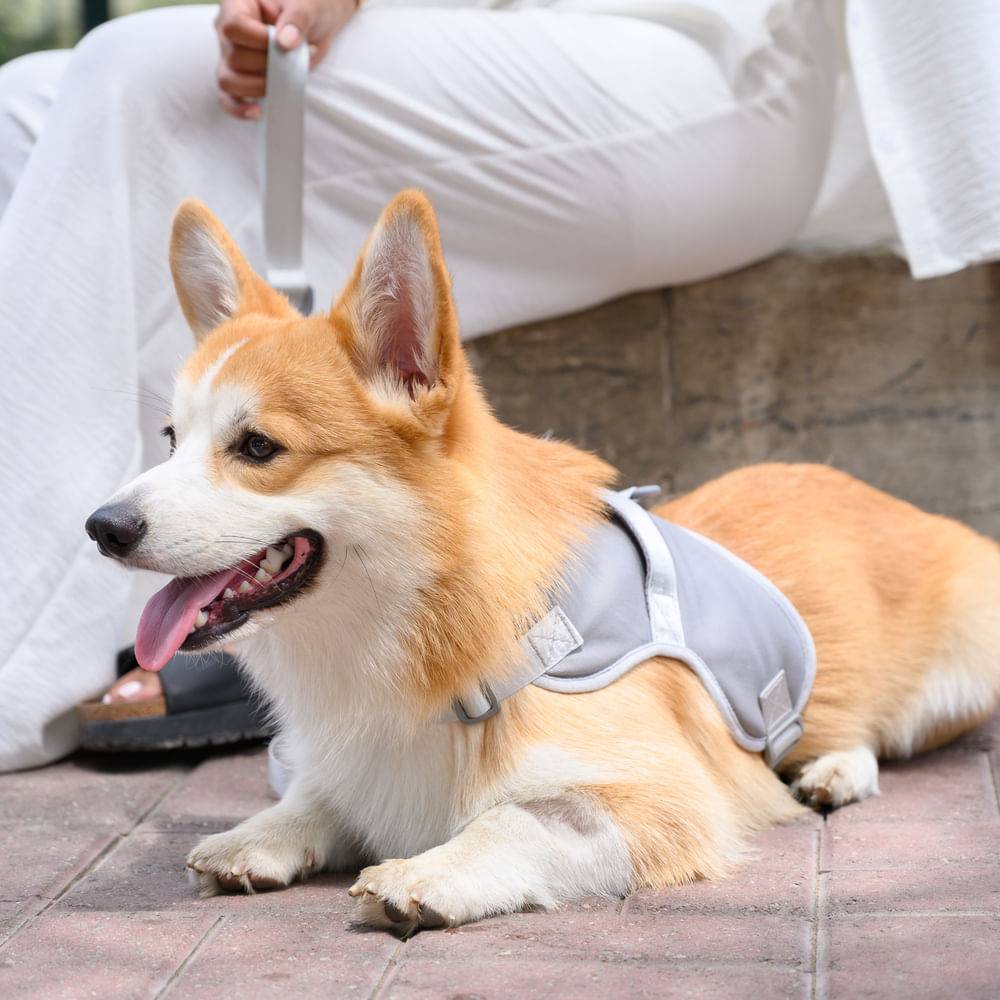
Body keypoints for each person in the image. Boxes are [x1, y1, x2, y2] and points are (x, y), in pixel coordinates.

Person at [0, 0, 997, 771]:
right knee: (23, 110)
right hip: (484, 31)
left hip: (696, 56)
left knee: (128, 70)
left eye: (256, 445)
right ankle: (191, 609)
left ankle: (24, 664)